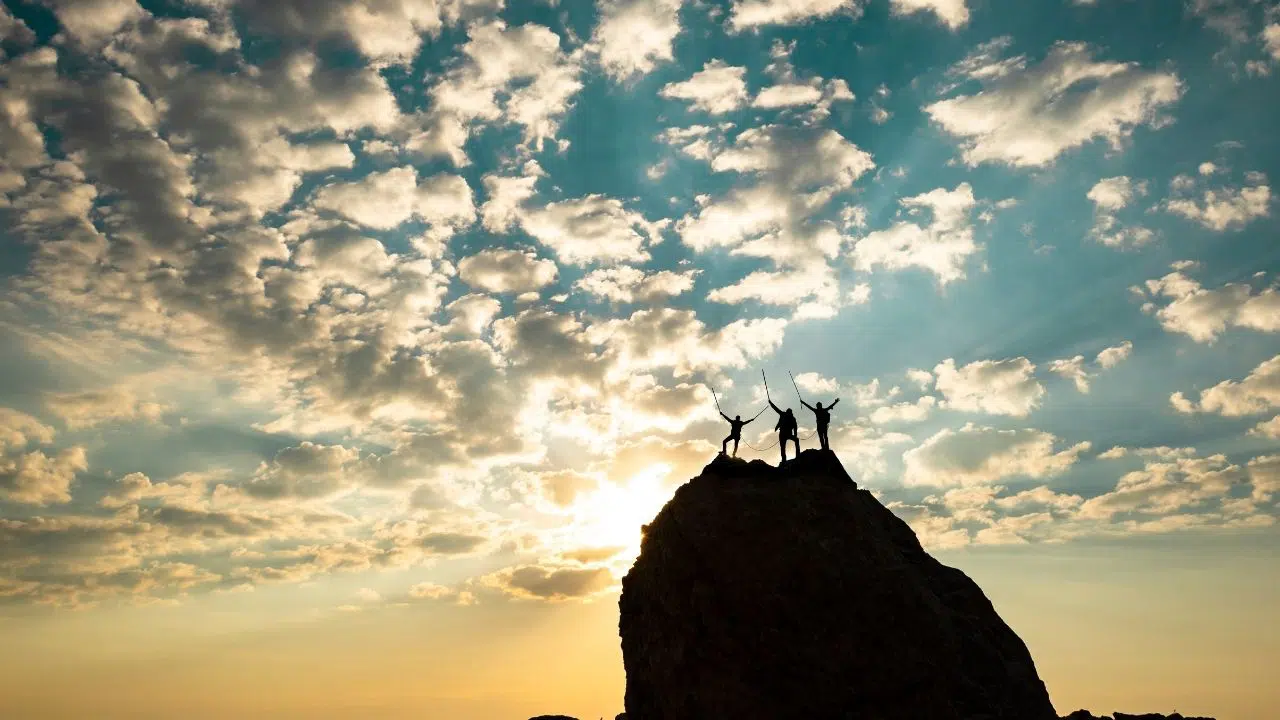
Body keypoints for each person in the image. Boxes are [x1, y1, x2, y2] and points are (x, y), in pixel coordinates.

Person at [768, 398, 800, 463]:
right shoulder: (785, 415)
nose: (789, 414)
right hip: (783, 434)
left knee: (792, 442)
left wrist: (795, 435)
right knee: (783, 447)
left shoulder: (791, 418)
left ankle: (797, 456)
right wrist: (771, 403)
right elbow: (776, 409)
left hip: (787, 434)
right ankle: (784, 460)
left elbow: (795, 427)